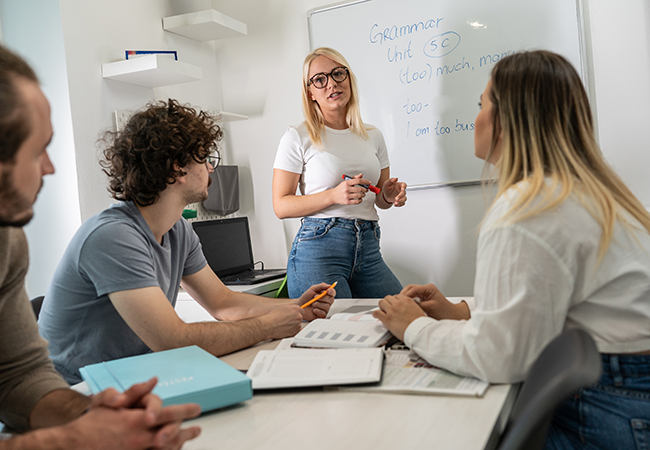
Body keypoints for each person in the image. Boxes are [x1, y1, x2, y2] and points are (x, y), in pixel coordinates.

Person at [372, 50, 650, 449]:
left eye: (481, 103)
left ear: (507, 120)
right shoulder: (591, 192)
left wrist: (413, 327)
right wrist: (459, 313)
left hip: (610, 409)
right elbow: (551, 300)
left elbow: (498, 357)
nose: (476, 116)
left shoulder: (529, 208)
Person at [38, 98, 336, 384]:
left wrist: (295, 307)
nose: (211, 168)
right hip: (75, 390)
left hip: (131, 378)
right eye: (205, 158)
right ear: (177, 169)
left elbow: (223, 303)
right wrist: (265, 327)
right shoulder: (113, 237)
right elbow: (172, 340)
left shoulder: (178, 229)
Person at [0, 44, 200, 449]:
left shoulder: (8, 239)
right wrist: (67, 441)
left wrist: (95, 418)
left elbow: (18, 376)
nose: (50, 167)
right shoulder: (110, 234)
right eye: (38, 149)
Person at [273, 47, 407, 299]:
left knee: (407, 317)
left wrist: (388, 195)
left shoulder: (373, 135)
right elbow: (281, 206)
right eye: (319, 79)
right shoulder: (297, 136)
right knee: (332, 335)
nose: (331, 84)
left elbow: (380, 199)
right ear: (310, 92)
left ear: (349, 79)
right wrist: (333, 196)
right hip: (319, 249)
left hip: (368, 247)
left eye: (338, 74)